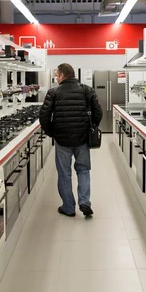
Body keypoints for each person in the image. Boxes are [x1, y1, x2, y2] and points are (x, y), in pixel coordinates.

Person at [39, 63, 103, 217]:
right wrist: (91, 128)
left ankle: (68, 207)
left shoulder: (53, 92)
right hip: (82, 139)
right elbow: (98, 112)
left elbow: (44, 116)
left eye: (56, 74)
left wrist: (52, 133)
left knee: (64, 174)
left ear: (62, 75)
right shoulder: (87, 90)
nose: (56, 77)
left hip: (62, 140)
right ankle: (84, 202)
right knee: (83, 170)